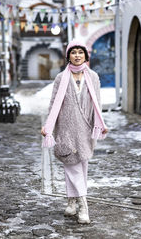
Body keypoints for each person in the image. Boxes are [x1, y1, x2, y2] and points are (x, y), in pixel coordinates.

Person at [41, 39, 108, 224]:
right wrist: (49, 126)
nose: (77, 55)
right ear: (68, 55)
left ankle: (71, 201)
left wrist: (99, 123)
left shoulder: (93, 76)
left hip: (85, 128)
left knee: (81, 166)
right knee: (72, 164)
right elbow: (54, 103)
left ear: (85, 56)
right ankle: (83, 205)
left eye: (80, 52)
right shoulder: (61, 78)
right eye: (73, 52)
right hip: (66, 128)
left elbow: (97, 103)